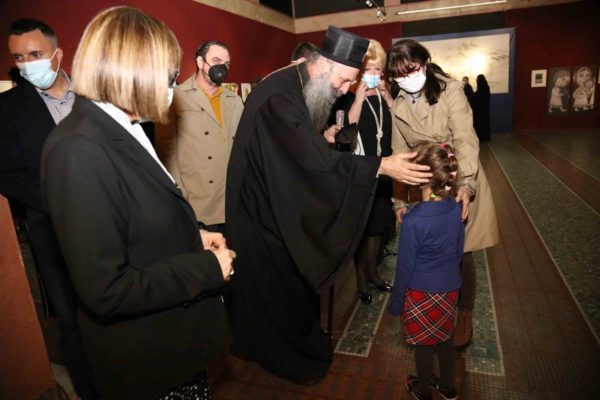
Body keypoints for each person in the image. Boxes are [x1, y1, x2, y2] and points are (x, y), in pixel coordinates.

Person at [40, 7, 235, 399]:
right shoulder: (77, 150)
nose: (173, 86)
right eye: (170, 75)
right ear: (133, 71)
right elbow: (107, 290)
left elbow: (136, 219)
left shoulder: (125, 126)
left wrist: (193, 235)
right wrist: (206, 269)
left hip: (173, 344)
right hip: (148, 363)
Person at [224, 26, 432, 385]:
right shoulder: (280, 95)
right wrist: (381, 166)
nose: (344, 88)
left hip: (273, 204)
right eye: (344, 80)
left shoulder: (295, 84)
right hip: (261, 217)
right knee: (277, 293)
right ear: (323, 65)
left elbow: (297, 146)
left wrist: (322, 138)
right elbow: (306, 160)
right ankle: (285, 357)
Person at [0, 18, 99, 399]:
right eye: (18, 58)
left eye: (35, 54)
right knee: (73, 323)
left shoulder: (94, 95)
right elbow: (8, 175)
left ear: (58, 54)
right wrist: (62, 202)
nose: (27, 64)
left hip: (111, 223)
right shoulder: (8, 109)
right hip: (54, 233)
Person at [387, 39, 499, 348]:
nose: (405, 79)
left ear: (424, 64)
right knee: (426, 250)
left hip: (458, 173)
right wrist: (399, 199)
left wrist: (466, 184)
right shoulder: (398, 103)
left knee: (463, 250)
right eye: (398, 75)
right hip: (422, 182)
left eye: (411, 70)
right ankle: (431, 308)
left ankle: (464, 313)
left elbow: (465, 138)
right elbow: (398, 153)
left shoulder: (450, 90)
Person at [390, 141, 464, 400]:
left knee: (423, 343)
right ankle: (447, 386)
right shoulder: (455, 209)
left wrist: (396, 303)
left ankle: (423, 389)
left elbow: (405, 268)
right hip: (450, 289)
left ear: (419, 178)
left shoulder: (414, 221)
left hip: (421, 292)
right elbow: (458, 252)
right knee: (445, 338)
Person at [329, 39, 394, 304]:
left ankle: (373, 273)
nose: (373, 74)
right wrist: (358, 98)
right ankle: (361, 281)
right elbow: (347, 130)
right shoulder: (346, 95)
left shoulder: (386, 93)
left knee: (378, 227)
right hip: (360, 172)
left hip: (385, 169)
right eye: (368, 69)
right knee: (362, 229)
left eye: (378, 69)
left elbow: (398, 122)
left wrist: (387, 97)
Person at [156, 40, 243, 234]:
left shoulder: (234, 100)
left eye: (227, 64)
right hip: (197, 202)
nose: (222, 68)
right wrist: (180, 194)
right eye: (216, 61)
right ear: (200, 62)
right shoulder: (175, 97)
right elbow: (166, 150)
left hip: (231, 200)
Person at [472, 74, 491, 142]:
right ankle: (485, 137)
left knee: (479, 124)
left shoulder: (480, 90)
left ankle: (481, 137)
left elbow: (476, 100)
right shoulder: (486, 88)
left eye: (477, 79)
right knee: (485, 123)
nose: (476, 80)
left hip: (479, 111)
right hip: (485, 110)